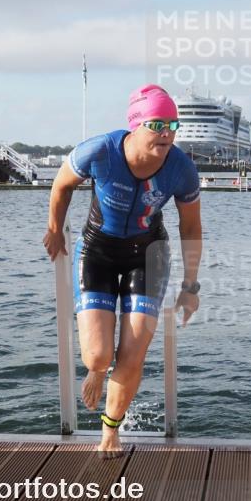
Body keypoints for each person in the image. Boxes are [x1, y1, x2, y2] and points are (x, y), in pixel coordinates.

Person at [43, 85, 201, 457]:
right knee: (98, 356)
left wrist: (190, 285)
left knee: (133, 353)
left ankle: (110, 430)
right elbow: (62, 184)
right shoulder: (100, 150)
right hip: (98, 250)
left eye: (172, 125)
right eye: (157, 124)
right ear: (135, 124)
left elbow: (191, 227)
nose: (166, 133)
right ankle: (97, 371)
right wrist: (54, 228)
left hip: (148, 255)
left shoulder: (181, 168)